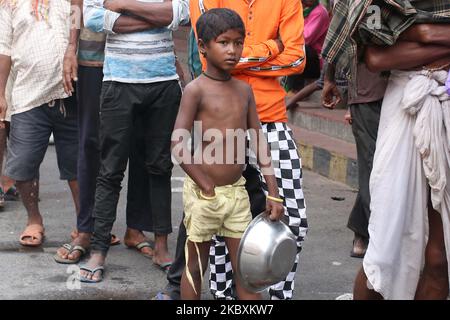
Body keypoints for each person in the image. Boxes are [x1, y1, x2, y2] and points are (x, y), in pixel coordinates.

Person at [158, 0, 307, 301]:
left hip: (238, 192)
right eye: (224, 43)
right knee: (195, 265)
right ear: (203, 46)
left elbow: (259, 141)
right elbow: (178, 142)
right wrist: (205, 185)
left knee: (247, 267)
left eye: (238, 43)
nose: (233, 51)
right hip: (205, 195)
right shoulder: (196, 90)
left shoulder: (244, 91)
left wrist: (274, 191)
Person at [322, 0, 450, 299]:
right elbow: (377, 56)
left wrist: (419, 33)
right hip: (402, 105)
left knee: (440, 257)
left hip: (442, 101)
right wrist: (433, 37)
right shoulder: (374, 5)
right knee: (385, 252)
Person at [78, 0, 189, 283]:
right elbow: (91, 17)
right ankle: (99, 250)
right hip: (118, 82)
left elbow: (183, 13)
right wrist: (157, 18)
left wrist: (122, 5)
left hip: (163, 82)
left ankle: (161, 246)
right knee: (110, 170)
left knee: (160, 166)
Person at [0, 0, 79, 247]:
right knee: (22, 164)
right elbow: (4, 50)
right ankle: (34, 219)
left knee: (78, 163)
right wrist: (0, 94)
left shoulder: (72, 2)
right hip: (27, 95)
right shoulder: (9, 4)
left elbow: (82, 28)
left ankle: (85, 223)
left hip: (71, 93)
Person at [322, 61, 387, 258]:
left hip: (410, 89)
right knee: (374, 167)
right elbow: (338, 38)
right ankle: (376, 239)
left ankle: (363, 231)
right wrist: (329, 79)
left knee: (389, 167)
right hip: (370, 92)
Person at [284, 0, 329, 93]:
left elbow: (306, 38)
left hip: (315, 59)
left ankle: (294, 89)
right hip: (304, 54)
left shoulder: (319, 12)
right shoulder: (300, 10)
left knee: (299, 48)